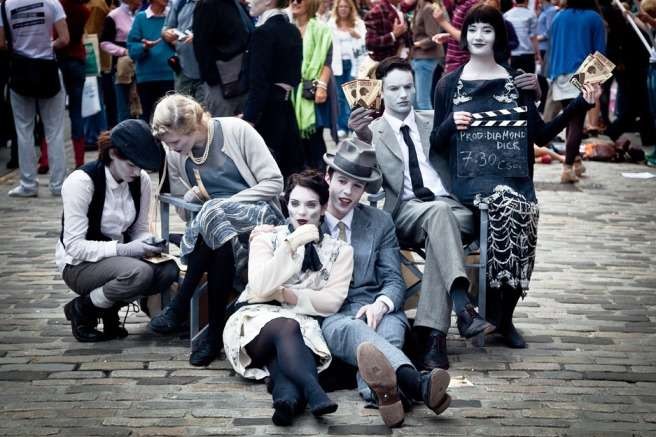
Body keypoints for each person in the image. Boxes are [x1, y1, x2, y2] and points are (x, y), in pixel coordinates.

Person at [347, 55, 541, 367]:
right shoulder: (372, 131)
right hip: (406, 211)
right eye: (394, 88)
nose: (403, 94)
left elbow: (490, 127)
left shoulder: (435, 122)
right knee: (439, 214)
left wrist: (532, 95)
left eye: (408, 87)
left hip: (452, 209)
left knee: (442, 218)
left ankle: (433, 337)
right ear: (380, 92)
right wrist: (363, 140)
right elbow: (370, 189)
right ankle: (461, 307)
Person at [430, 4, 600, 347]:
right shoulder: (448, 84)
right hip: (470, 181)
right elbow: (435, 142)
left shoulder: (516, 80)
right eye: (473, 29)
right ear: (464, 35)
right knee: (506, 207)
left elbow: (542, 135)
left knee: (522, 210)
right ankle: (495, 316)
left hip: (515, 180)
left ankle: (503, 317)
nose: (479, 36)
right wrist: (450, 123)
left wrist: (581, 103)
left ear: (499, 36)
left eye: (487, 29)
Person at [319, 138, 452, 428]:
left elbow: (393, 279)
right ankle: (417, 384)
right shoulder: (309, 219)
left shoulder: (379, 222)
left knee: (388, 337)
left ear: (364, 190)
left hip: (378, 308)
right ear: (328, 177)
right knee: (357, 332)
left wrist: (381, 305)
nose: (347, 192)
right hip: (334, 314)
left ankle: (387, 396)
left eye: (357, 186)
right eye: (342, 181)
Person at [148, 94, 285, 366]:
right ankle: (213, 335)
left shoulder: (237, 131)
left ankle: (180, 304)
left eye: (175, 142)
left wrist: (223, 204)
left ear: (192, 127)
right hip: (214, 235)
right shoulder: (176, 155)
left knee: (214, 212)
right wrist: (193, 196)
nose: (172, 149)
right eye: (168, 144)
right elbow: (186, 213)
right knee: (216, 231)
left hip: (260, 219)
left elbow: (274, 183)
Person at [223, 170, 352, 426]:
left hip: (304, 327)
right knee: (287, 326)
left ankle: (286, 402)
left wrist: (283, 294)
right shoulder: (266, 238)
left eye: (311, 205)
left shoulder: (340, 250)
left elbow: (332, 301)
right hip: (255, 321)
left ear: (323, 208)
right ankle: (314, 390)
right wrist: (291, 245)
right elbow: (260, 286)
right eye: (295, 203)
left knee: (285, 351)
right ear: (287, 205)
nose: (301, 212)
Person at [57, 119, 179, 342]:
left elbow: (139, 228)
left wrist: (148, 242)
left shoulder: (140, 180)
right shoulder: (81, 182)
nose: (137, 172)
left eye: (141, 166)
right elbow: (74, 246)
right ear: (113, 154)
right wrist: (125, 249)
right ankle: (82, 310)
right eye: (131, 165)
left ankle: (108, 308)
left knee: (168, 270)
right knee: (139, 273)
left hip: (119, 259)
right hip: (78, 264)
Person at [0, 0, 69, 197]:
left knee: (24, 131)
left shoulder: (5, 6)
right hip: (48, 70)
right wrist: (48, 45)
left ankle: (28, 184)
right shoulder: (52, 3)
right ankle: (58, 184)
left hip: (20, 72)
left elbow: (1, 43)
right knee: (54, 131)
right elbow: (64, 39)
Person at [241, 0, 304, 179]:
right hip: (286, 109)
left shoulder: (263, 33)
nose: (249, 1)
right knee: (287, 170)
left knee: (264, 174)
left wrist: (249, 118)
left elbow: (258, 82)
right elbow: (295, 77)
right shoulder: (292, 30)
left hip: (266, 113)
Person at [547, 0, 605, 183]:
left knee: (570, 119)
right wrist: (598, 81)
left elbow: (551, 46)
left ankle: (577, 162)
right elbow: (599, 53)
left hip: (559, 73)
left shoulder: (558, 17)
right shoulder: (594, 18)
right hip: (583, 72)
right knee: (577, 122)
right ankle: (568, 166)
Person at [291, 0, 336, 169]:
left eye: (299, 0)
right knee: (295, 141)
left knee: (315, 140)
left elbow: (327, 62)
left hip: (311, 90)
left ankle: (320, 176)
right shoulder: (288, 27)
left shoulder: (321, 29)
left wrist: (322, 87)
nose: (294, 2)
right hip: (291, 91)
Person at [192, 0, 252, 117]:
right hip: (220, 84)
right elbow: (201, 45)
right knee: (220, 125)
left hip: (242, 80)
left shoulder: (235, 4)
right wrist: (213, 80)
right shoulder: (207, 5)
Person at [127, 0, 175, 123]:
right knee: (151, 119)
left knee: (171, 119)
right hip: (147, 78)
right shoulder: (141, 18)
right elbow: (132, 49)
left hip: (171, 75)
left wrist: (174, 41)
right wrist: (144, 47)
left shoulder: (172, 15)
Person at [57, 0, 91, 168]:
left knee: (51, 113)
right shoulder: (84, 10)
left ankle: (46, 159)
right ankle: (79, 160)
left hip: (58, 59)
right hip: (77, 59)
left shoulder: (57, 5)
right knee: (76, 111)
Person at [329, 0, 366, 136]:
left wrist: (357, 36)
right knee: (339, 96)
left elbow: (366, 41)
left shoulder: (358, 23)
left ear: (350, 8)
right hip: (337, 64)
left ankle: (353, 126)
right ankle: (342, 126)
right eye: (341, 7)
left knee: (353, 96)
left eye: (346, 6)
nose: (343, 9)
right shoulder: (331, 24)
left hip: (354, 63)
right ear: (337, 8)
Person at [100, 0, 142, 122]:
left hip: (142, 65)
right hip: (122, 68)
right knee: (123, 108)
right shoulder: (114, 16)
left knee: (141, 106)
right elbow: (104, 43)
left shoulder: (142, 14)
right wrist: (124, 51)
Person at [161, 0, 204, 102]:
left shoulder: (213, 3)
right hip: (183, 70)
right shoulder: (180, 3)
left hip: (207, 72)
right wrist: (166, 33)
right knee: (182, 108)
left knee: (204, 110)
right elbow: (166, 28)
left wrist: (200, 36)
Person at [411, 0, 443, 110]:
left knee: (422, 101)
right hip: (419, 57)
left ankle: (430, 122)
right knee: (416, 101)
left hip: (425, 58)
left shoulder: (428, 8)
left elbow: (434, 37)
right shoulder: (419, 7)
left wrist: (416, 44)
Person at [503, 0, 540, 73]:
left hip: (513, 53)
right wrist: (538, 54)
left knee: (513, 78)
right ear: (526, 1)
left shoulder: (507, 15)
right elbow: (533, 37)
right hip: (528, 52)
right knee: (529, 78)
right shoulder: (531, 14)